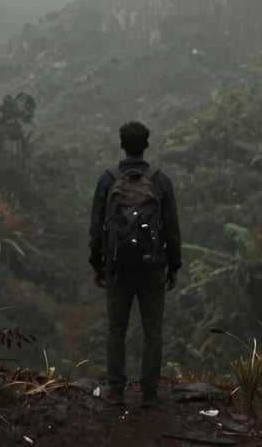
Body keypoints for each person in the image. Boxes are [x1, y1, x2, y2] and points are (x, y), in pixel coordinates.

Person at [88, 121, 181, 408]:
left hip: (118, 269)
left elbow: (96, 227)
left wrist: (98, 264)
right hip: (153, 267)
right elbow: (172, 228)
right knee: (152, 329)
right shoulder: (160, 180)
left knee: (117, 328)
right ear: (146, 145)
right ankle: (149, 392)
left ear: (122, 144)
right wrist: (173, 264)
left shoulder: (107, 180)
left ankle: (116, 391)